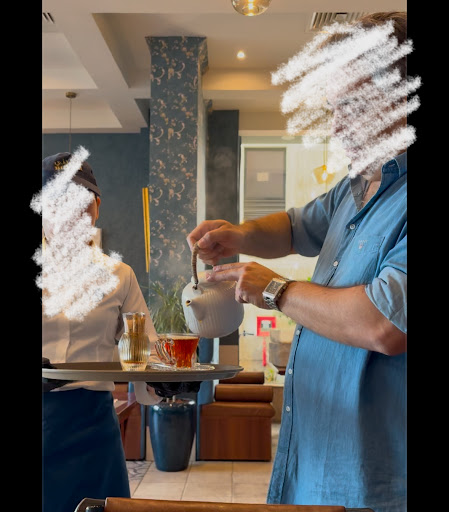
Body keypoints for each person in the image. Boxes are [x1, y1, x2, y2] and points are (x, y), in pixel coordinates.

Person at [187, 12, 409, 512]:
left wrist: (275, 290)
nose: (337, 125)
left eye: (351, 105)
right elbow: (294, 226)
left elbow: (386, 323)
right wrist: (238, 234)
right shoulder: (353, 190)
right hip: (315, 462)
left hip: (377, 479)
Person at [40, 150, 184, 512]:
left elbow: (147, 350)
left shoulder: (120, 276)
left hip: (93, 425)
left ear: (97, 206)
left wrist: (164, 380)